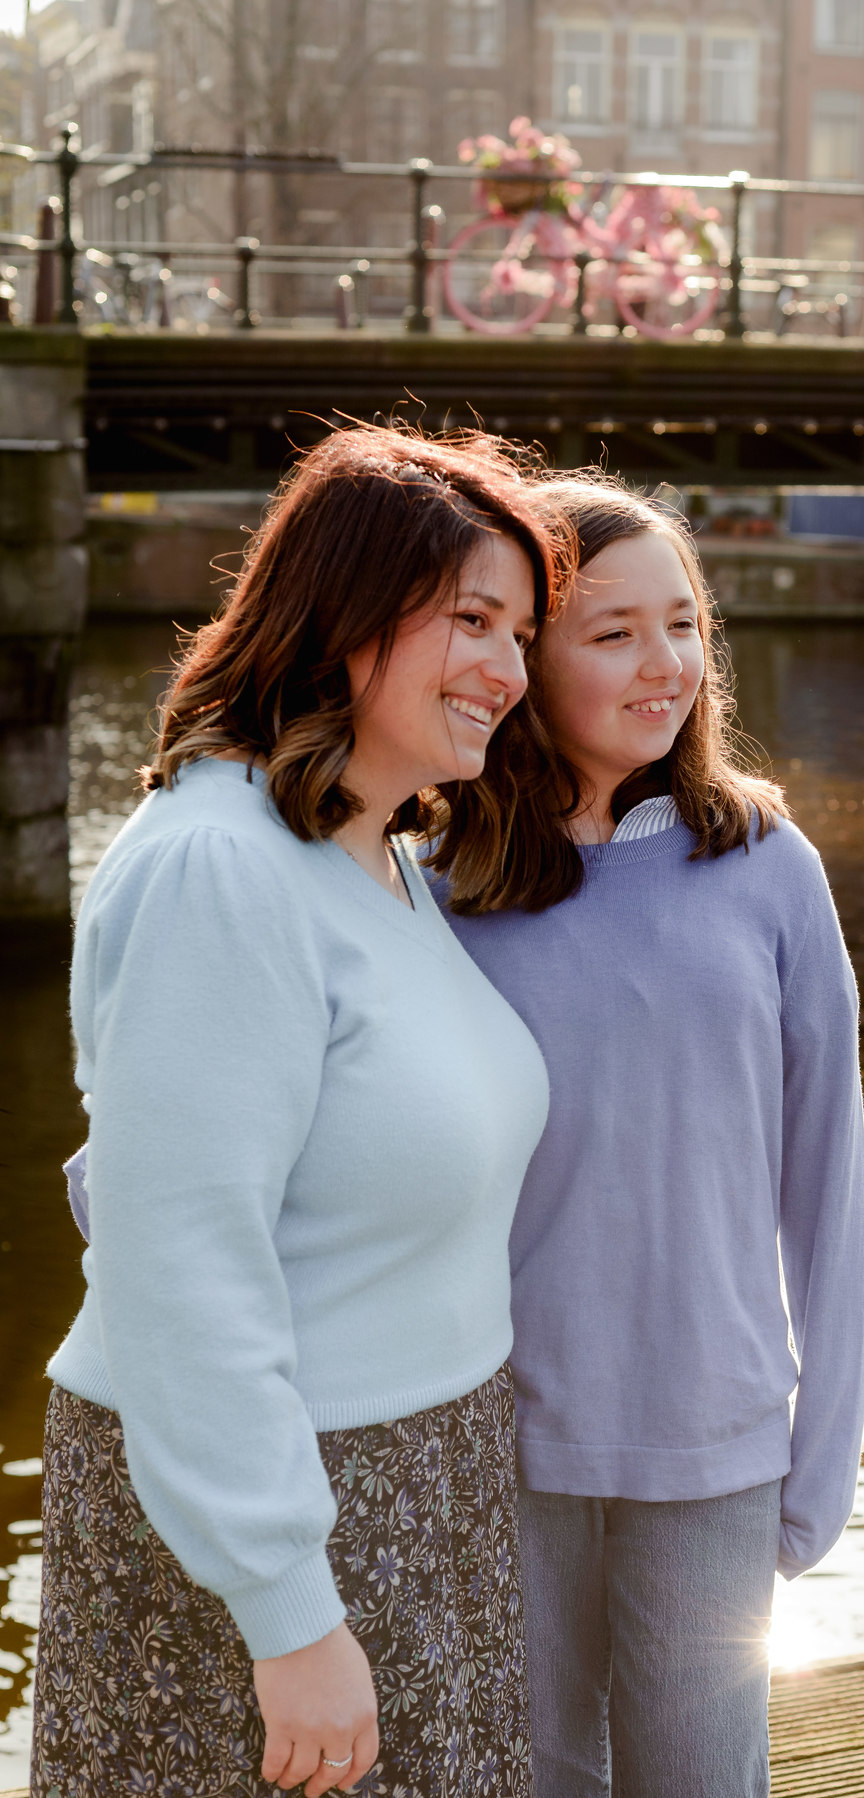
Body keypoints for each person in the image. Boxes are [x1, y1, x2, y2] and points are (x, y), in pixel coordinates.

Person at [31, 426, 564, 1798]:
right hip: (273, 1516)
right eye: (473, 622)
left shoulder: (367, 843)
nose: (511, 672)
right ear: (344, 615)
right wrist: (288, 1607)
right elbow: (182, 1264)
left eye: (522, 631)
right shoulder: (221, 868)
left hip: (416, 1480)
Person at [426, 475, 864, 1798]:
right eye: (613, 632)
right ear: (522, 660)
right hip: (495, 1440)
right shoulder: (431, 872)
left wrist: (823, 1451)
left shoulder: (771, 865)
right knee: (526, 1776)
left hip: (717, 1443)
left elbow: (828, 1185)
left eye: (683, 625)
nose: (665, 663)